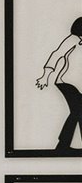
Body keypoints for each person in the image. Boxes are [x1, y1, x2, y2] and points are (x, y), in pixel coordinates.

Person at [36, 17, 82, 153]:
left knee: (77, 112)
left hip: (79, 85)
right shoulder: (73, 39)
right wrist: (45, 76)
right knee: (78, 111)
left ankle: (63, 145)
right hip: (67, 83)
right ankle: (63, 145)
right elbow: (56, 55)